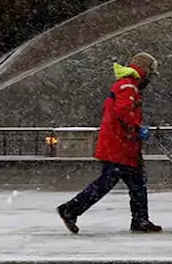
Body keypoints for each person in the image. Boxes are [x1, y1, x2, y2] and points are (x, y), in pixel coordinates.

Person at [57, 52, 162, 234]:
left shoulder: (127, 85)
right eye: (150, 75)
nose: (150, 80)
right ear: (144, 71)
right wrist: (138, 128)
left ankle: (140, 220)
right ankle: (70, 209)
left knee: (137, 183)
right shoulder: (128, 86)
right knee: (107, 182)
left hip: (125, 145)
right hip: (119, 146)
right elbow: (123, 112)